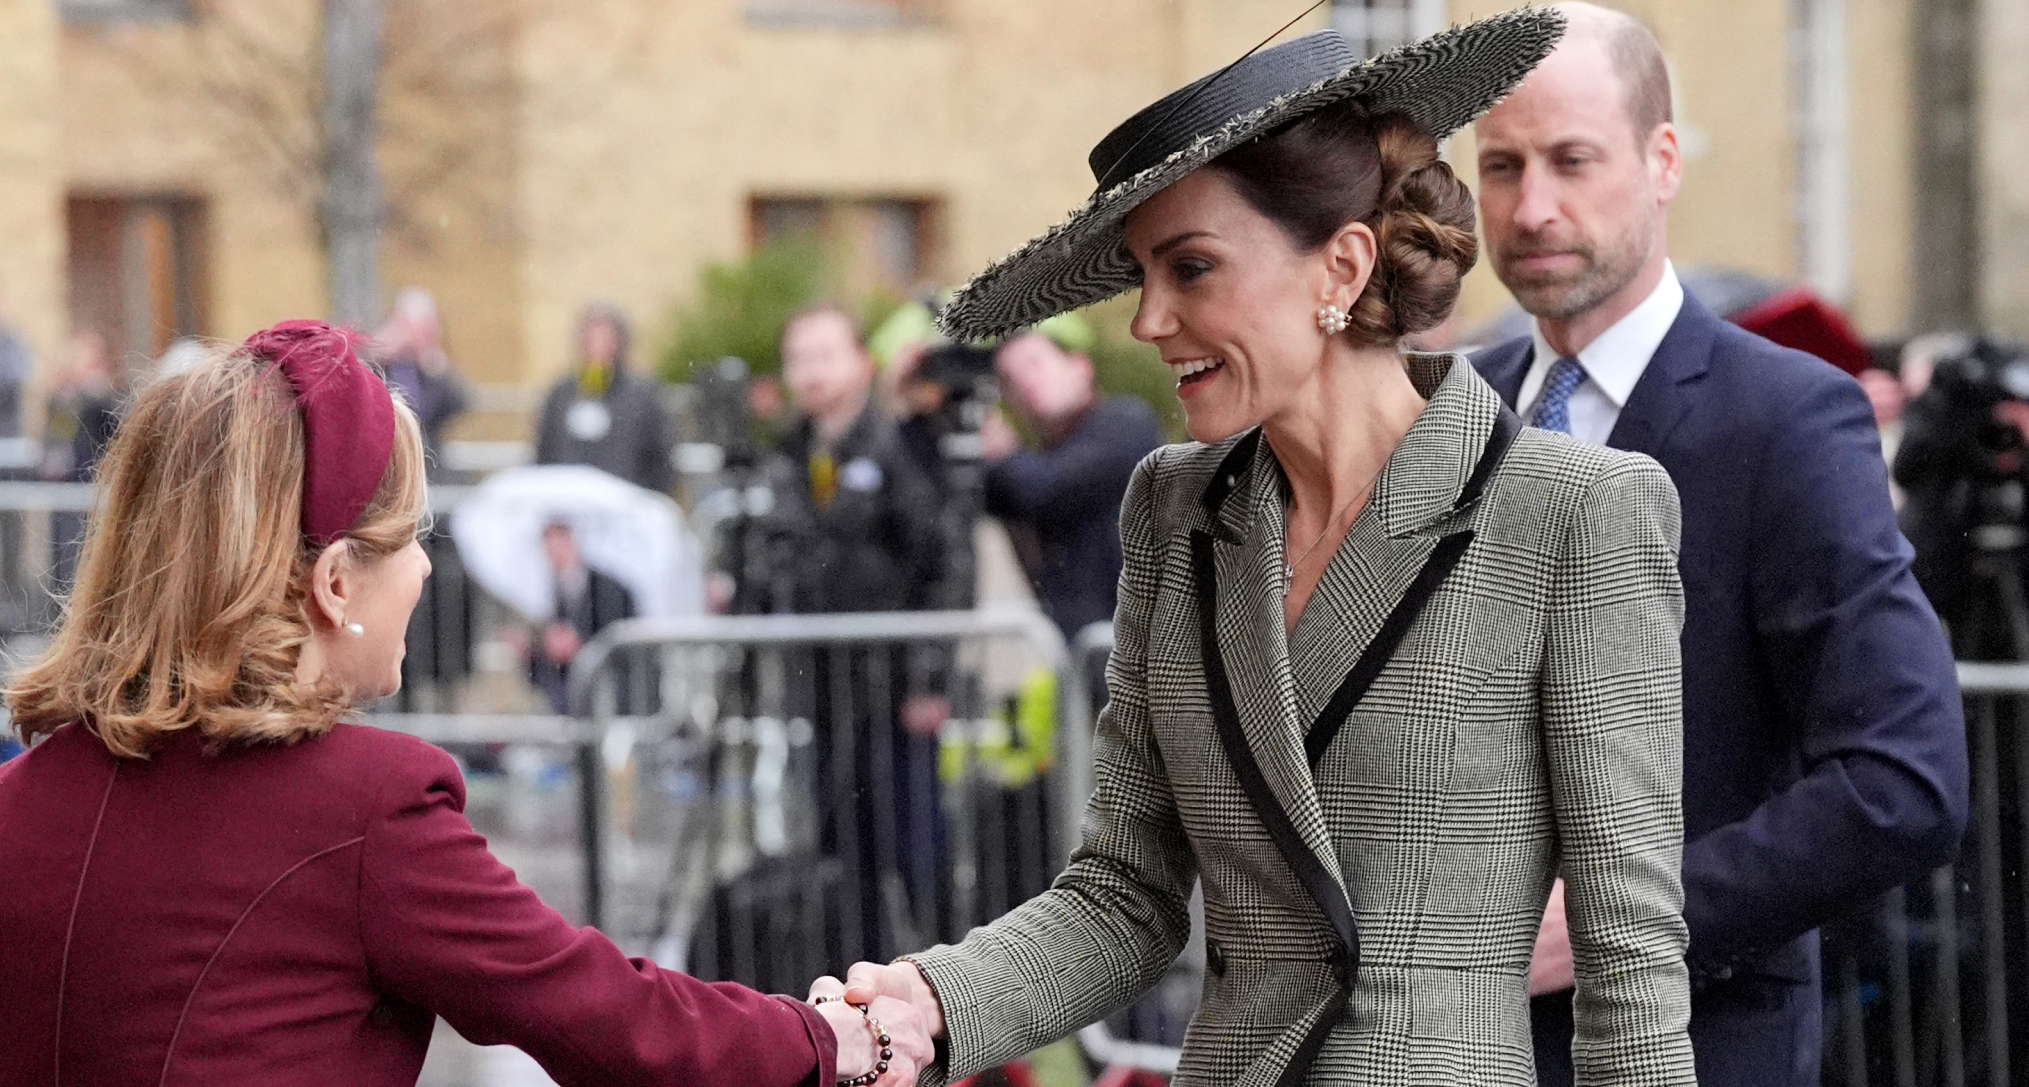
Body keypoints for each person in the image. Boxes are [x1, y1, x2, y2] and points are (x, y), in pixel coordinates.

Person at [838, 12, 1699, 1086]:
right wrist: (932, 999)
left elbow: (1630, 976)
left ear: (1339, 264)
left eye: (1190, 268)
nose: (1149, 319)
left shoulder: (1573, 513)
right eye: (1141, 274)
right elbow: (1123, 896)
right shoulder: (1175, 507)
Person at [0, 320, 930, 1087]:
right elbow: (615, 1021)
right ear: (333, 582)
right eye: (411, 535)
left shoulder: (20, 800)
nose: (426, 566)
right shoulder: (363, 808)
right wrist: (832, 1038)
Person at [1464, 6, 1968, 1086]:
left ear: (1661, 162)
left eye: (1571, 159)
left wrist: (1614, 920)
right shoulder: (1448, 418)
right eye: (1500, 165)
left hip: (1688, 1041)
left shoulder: (1785, 419)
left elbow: (1903, 779)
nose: (1531, 205)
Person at [983, 316, 1164, 641]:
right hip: (1081, 653)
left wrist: (1000, 448)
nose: (1025, 381)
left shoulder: (1125, 423)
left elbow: (1044, 488)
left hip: (1138, 650)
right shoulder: (1029, 464)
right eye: (1009, 379)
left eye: (1035, 363)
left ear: (1081, 367)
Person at [535, 302, 675, 493]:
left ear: (621, 341)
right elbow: (544, 454)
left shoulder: (644, 395)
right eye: (591, 338)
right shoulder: (561, 394)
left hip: (627, 504)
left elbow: (660, 460)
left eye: (605, 338)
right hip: (569, 505)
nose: (597, 346)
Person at [527, 518, 637, 714]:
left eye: (557, 544)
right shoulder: (554, 590)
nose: (552, 554)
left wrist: (580, 647)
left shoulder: (608, 588)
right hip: (573, 691)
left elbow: (620, 637)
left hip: (612, 691)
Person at [373, 286, 470, 475]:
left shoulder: (432, 369)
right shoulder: (381, 363)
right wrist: (378, 355)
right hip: (385, 462)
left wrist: (433, 363)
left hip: (428, 461)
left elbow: (461, 402)